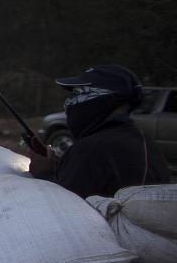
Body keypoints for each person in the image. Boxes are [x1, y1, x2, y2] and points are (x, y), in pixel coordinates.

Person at [28, 65, 170, 198]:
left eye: (78, 93)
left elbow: (64, 206)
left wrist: (44, 173)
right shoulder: (146, 143)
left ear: (104, 98)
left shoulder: (91, 148)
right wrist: (59, 167)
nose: (69, 102)